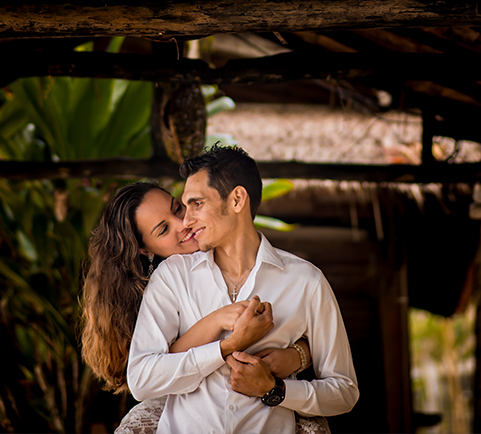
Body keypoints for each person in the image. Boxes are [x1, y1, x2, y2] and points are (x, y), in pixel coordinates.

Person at [127, 145, 358, 434]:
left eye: (196, 204)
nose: (186, 221)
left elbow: (344, 391)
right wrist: (223, 348)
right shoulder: (173, 277)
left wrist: (275, 389)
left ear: (236, 199)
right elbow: (141, 380)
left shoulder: (306, 282)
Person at [80, 181, 327, 434]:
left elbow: (303, 329)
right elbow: (147, 375)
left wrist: (299, 354)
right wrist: (218, 326)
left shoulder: (261, 262)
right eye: (163, 229)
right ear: (144, 249)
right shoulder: (162, 283)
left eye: (177, 209)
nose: (183, 223)